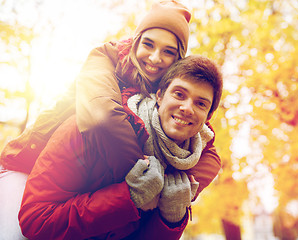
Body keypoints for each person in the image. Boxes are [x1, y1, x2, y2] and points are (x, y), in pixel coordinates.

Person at [0, 0, 220, 238]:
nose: (155, 58)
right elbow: (101, 116)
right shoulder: (106, 60)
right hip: (28, 164)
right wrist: (142, 181)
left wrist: (174, 202)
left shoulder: (168, 95)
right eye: (149, 44)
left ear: (178, 61)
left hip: (81, 185)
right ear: (135, 42)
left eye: (168, 51)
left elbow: (203, 140)